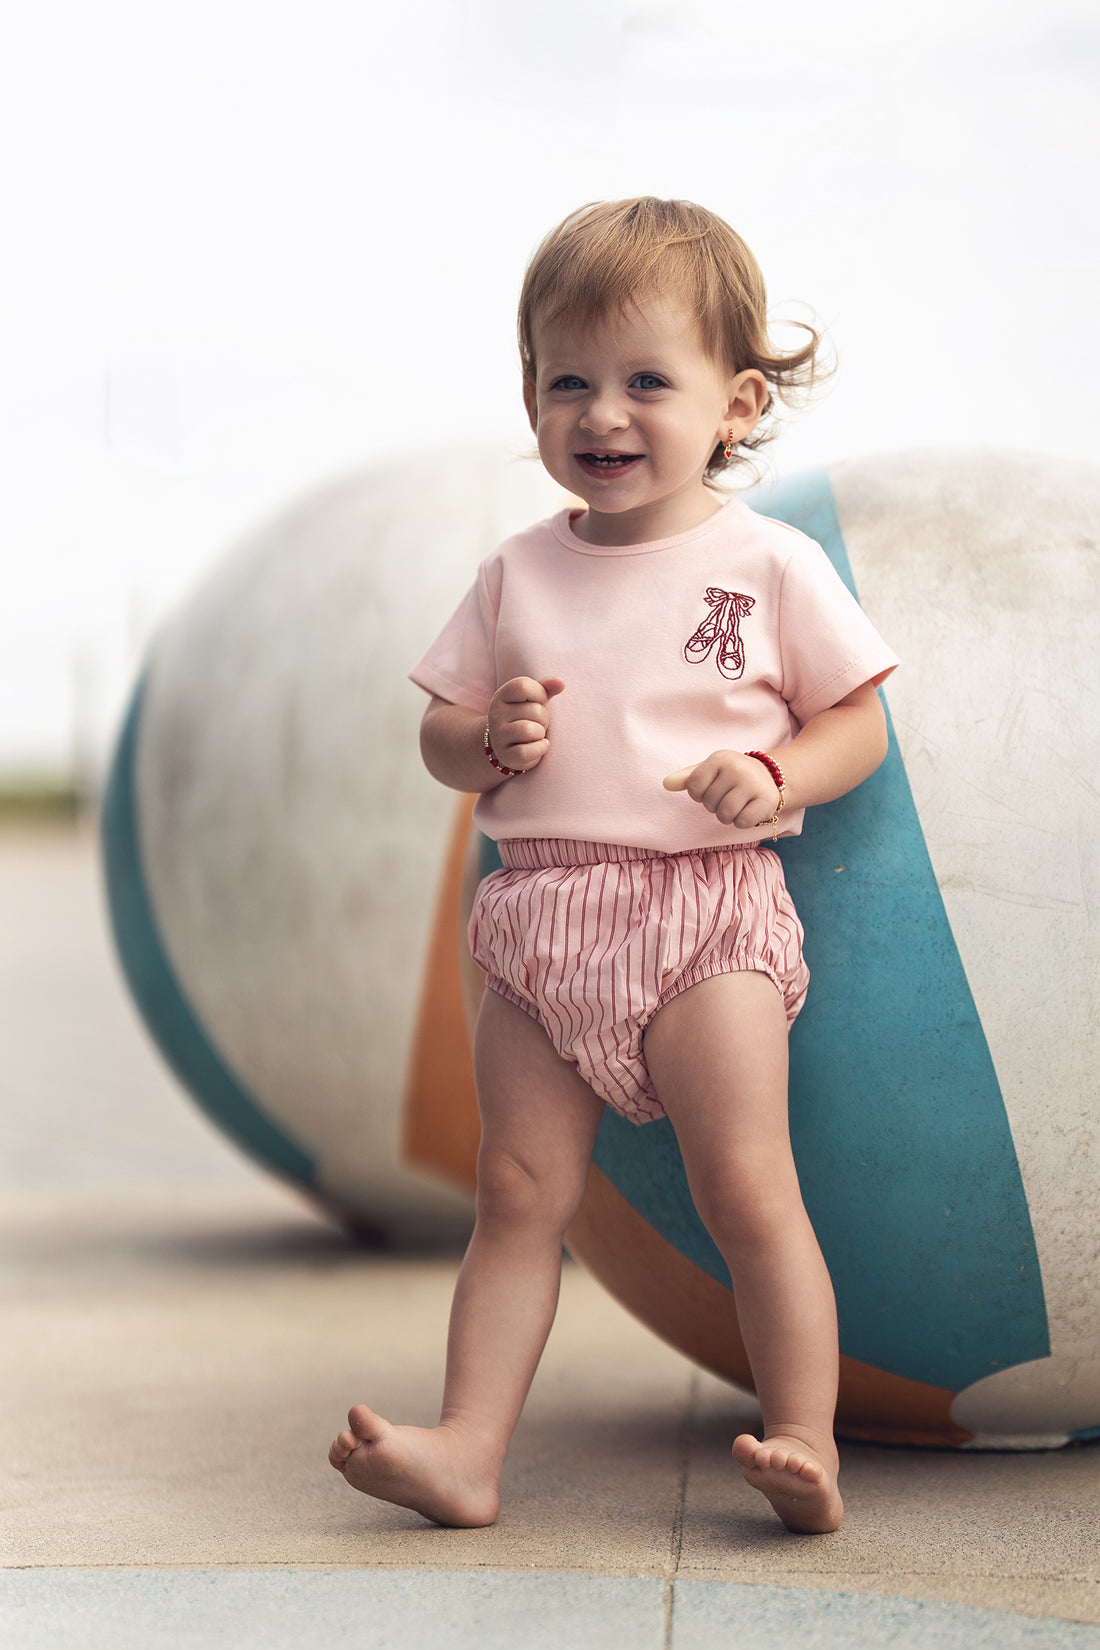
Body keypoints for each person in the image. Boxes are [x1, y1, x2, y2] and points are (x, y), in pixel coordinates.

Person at [329, 197, 897, 1535]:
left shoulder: (767, 562)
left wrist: (776, 776)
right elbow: (437, 734)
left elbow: (857, 718)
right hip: (539, 921)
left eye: (649, 379)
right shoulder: (516, 571)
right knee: (518, 1192)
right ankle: (469, 1447)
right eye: (567, 380)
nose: (604, 412)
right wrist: (485, 738)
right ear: (530, 396)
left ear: (737, 401)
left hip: (705, 912)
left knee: (747, 1185)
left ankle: (806, 1438)